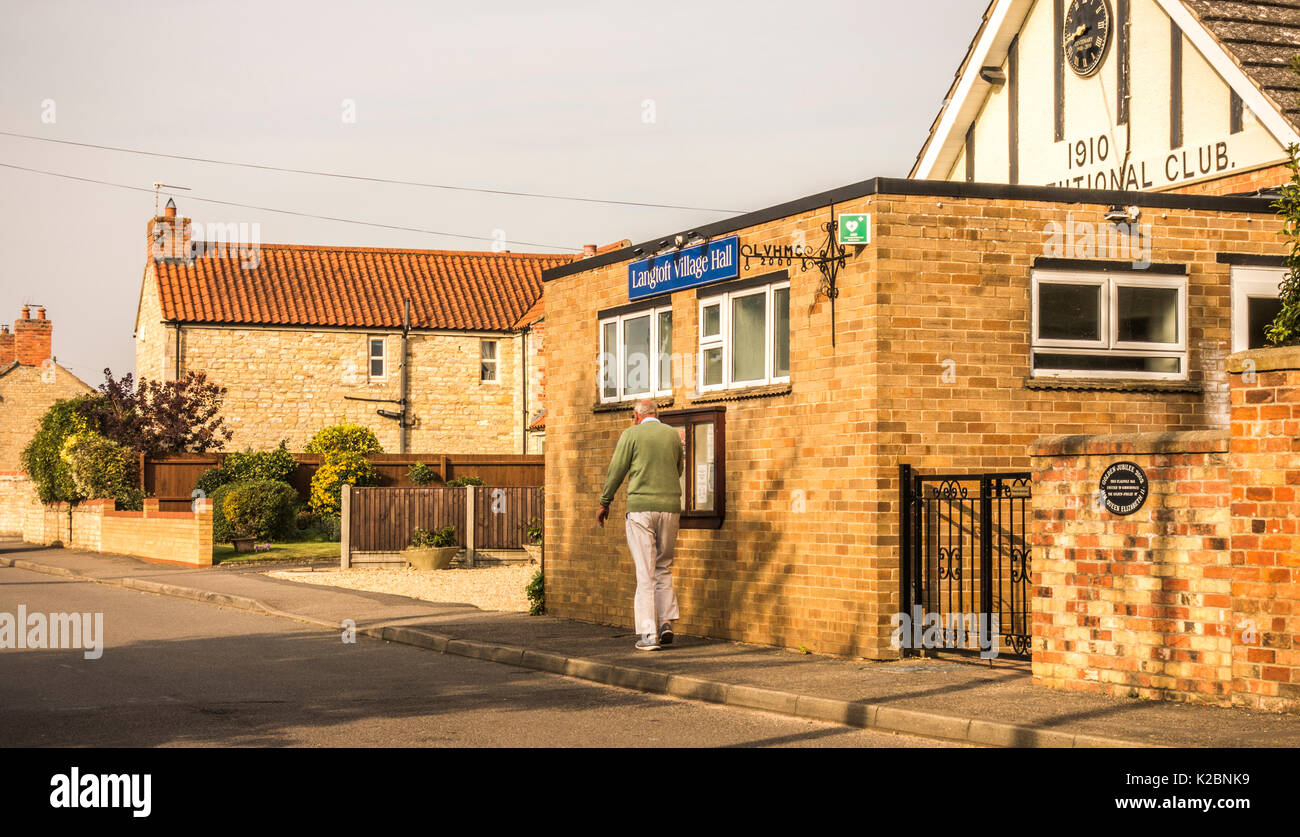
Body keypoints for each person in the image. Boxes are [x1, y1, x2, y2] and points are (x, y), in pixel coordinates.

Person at [597, 398, 684, 651]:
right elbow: (678, 469)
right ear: (656, 414)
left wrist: (605, 502)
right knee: (663, 566)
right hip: (670, 509)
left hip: (640, 509)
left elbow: (616, 470)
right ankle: (666, 622)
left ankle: (648, 634)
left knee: (645, 572)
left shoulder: (631, 435)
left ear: (636, 416)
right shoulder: (671, 436)